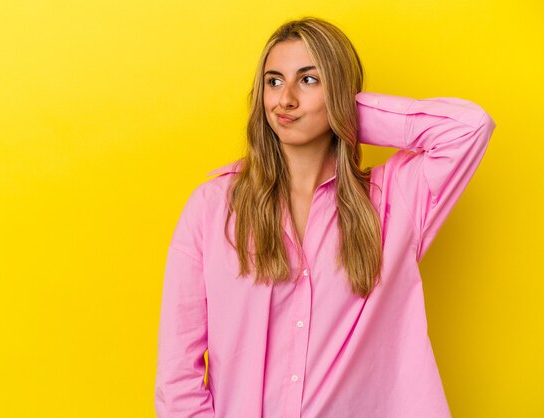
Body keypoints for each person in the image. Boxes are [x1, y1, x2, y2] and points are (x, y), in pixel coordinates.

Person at [154, 16, 496, 418]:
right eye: (274, 81)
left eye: (309, 80)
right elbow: (179, 376)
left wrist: (346, 112)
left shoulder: (393, 202)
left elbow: (470, 127)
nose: (285, 100)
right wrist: (323, 98)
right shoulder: (213, 208)